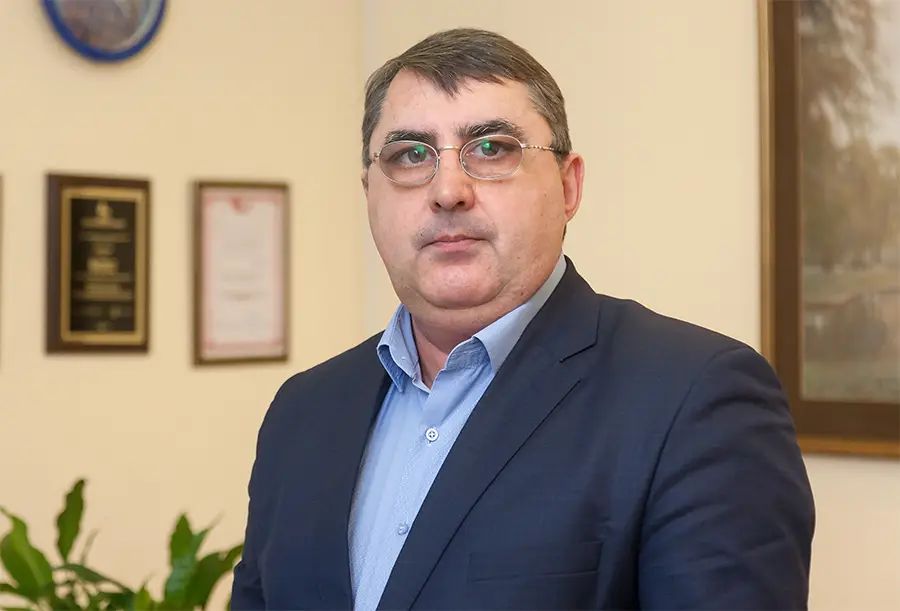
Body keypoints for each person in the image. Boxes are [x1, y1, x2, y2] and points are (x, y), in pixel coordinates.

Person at [232, 28, 814, 610]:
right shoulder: (302, 413)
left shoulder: (694, 400)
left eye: (491, 149)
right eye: (411, 155)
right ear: (369, 195)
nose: (448, 191)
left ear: (567, 186)